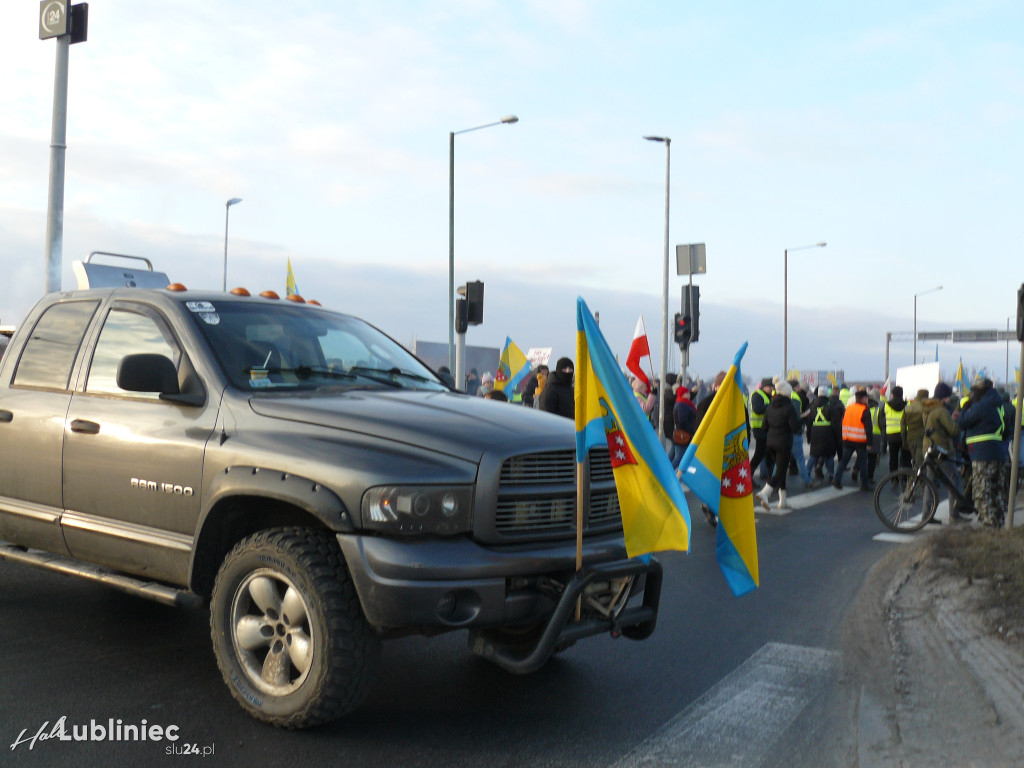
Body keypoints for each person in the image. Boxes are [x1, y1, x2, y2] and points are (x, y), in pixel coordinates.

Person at [960, 378, 1009, 528]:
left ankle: (988, 528)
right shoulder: (998, 404)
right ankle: (997, 524)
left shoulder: (981, 405)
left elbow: (962, 422)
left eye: (975, 391)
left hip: (982, 454)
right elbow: (1008, 430)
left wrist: (964, 408)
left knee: (982, 492)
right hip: (998, 453)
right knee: (996, 491)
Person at [756, 380, 800, 511]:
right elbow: (795, 428)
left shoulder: (770, 406)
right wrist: (801, 421)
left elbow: (764, 427)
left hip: (770, 443)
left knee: (781, 470)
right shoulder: (789, 407)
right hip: (784, 443)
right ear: (788, 393)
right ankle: (765, 492)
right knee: (780, 472)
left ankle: (783, 501)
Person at [922, 381, 963, 514]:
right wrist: (956, 419)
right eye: (947, 397)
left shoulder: (928, 408)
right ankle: (954, 514)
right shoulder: (941, 410)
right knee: (953, 479)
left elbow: (935, 426)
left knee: (930, 482)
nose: (948, 400)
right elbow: (954, 430)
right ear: (943, 397)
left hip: (928, 447)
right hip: (940, 449)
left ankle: (926, 515)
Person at [834, 389, 873, 491]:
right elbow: (868, 428)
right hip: (860, 441)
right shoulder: (865, 410)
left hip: (847, 439)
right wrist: (869, 442)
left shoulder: (849, 408)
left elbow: (843, 422)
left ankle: (837, 479)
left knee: (844, 461)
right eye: (866, 398)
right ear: (863, 398)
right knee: (863, 463)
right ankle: (864, 484)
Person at [808, 385, 841, 483]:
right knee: (829, 455)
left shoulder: (812, 407)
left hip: (815, 433)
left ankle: (807, 473)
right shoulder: (830, 407)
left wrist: (809, 436)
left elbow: (809, 423)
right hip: (828, 433)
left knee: (814, 455)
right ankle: (831, 474)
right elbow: (836, 424)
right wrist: (838, 436)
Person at [748, 377, 774, 485]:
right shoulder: (757, 395)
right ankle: (748, 476)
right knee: (759, 453)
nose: (771, 389)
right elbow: (757, 409)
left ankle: (771, 478)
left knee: (768, 454)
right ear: (763, 387)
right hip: (759, 429)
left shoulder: (769, 396)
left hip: (767, 428)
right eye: (769, 387)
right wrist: (771, 407)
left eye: (771, 387)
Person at [883, 385, 910, 473]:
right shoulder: (907, 405)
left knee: (893, 458)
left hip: (891, 436)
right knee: (905, 457)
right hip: (904, 435)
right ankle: (905, 477)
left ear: (893, 395)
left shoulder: (887, 405)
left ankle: (894, 478)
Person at [901, 388, 929, 469]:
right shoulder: (925, 408)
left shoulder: (907, 408)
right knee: (919, 464)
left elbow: (903, 426)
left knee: (915, 461)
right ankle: (914, 481)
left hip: (910, 438)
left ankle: (914, 479)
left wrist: (904, 441)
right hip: (922, 438)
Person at [670, 385, 697, 470]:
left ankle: (664, 472)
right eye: (687, 393)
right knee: (680, 457)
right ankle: (669, 473)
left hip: (678, 433)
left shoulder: (680, 402)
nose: (689, 395)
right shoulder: (683, 404)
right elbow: (682, 422)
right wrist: (692, 431)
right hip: (683, 434)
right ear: (682, 394)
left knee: (673, 455)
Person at [661, 372, 678, 446]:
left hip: (671, 422)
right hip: (670, 423)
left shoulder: (668, 391)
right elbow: (675, 399)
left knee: (675, 448)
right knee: (676, 446)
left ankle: (669, 458)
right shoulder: (668, 392)